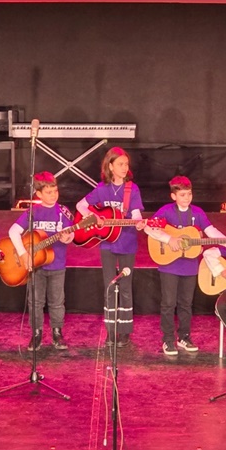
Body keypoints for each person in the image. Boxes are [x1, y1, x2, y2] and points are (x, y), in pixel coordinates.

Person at [145, 176, 226, 356]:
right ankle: (168, 339)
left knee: (186, 303)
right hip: (169, 264)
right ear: (173, 196)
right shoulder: (166, 211)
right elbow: (149, 228)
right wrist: (169, 239)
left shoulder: (197, 213)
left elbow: (211, 231)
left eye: (189, 194)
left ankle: (184, 337)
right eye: (182, 195)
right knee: (169, 303)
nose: (186, 198)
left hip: (190, 265)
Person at [76, 147, 146, 347]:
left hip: (127, 241)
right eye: (120, 164)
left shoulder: (132, 189)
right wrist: (95, 217)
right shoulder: (102, 189)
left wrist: (139, 223)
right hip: (107, 242)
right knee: (109, 285)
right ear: (110, 166)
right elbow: (81, 205)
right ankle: (110, 331)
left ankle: (125, 331)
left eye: (126, 164)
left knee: (125, 286)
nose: (125, 168)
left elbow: (136, 214)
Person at [9, 171, 75, 351]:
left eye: (55, 191)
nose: (53, 195)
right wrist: (23, 253)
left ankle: (57, 333)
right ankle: (36, 333)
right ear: (38, 194)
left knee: (57, 301)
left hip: (57, 264)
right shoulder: (33, 212)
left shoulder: (63, 212)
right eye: (48, 192)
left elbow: (71, 234)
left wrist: (68, 238)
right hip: (36, 266)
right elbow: (13, 232)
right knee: (35, 302)